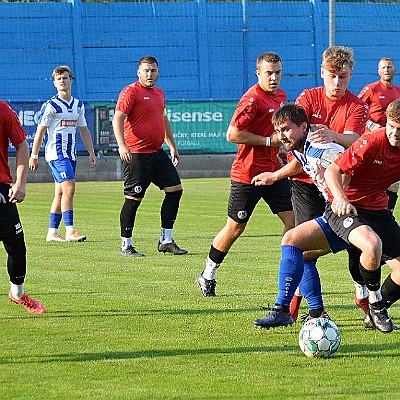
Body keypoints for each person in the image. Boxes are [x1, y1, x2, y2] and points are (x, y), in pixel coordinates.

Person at [253, 99, 400, 334]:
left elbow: (333, 165)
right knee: (294, 242)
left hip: (366, 211)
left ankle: (375, 308)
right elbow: (318, 166)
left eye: (286, 129)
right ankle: (298, 310)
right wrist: (276, 176)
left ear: (303, 128)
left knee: (370, 256)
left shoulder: (322, 148)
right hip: (344, 212)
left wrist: (341, 196)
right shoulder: (307, 148)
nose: (281, 136)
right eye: (392, 126)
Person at [195, 52, 295, 297]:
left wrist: (280, 152)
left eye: (278, 73)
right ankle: (208, 273)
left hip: (273, 173)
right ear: (258, 73)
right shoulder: (251, 99)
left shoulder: (280, 96)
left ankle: (289, 274)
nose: (274, 78)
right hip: (247, 174)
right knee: (235, 227)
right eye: (268, 73)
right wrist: (267, 141)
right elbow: (232, 134)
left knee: (294, 223)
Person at [289, 46, 369, 319]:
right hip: (306, 182)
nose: (337, 83)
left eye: (343, 77)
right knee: (303, 247)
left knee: (356, 242)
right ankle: (313, 310)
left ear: (350, 75)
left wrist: (332, 134)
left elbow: (355, 141)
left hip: (343, 184)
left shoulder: (357, 106)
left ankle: (363, 294)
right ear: (322, 72)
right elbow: (296, 131)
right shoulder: (308, 98)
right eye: (332, 76)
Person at [112, 55, 187, 257]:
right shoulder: (131, 91)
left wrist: (172, 145)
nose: (150, 74)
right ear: (139, 72)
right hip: (136, 155)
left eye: (153, 70)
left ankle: (166, 240)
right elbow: (118, 118)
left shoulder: (159, 93)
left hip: (157, 153)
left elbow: (164, 120)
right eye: (146, 70)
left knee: (175, 190)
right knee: (133, 198)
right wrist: (122, 145)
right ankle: (126, 245)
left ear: (158, 72)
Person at [29, 65, 97, 242]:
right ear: (54, 83)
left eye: (65, 78)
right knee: (70, 188)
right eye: (58, 79)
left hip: (70, 155)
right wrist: (34, 155)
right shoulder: (51, 105)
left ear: (70, 81)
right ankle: (70, 230)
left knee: (60, 193)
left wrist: (91, 152)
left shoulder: (77, 105)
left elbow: (84, 130)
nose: (62, 81)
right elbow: (40, 131)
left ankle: (52, 232)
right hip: (56, 155)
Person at [0, 101, 46, 314]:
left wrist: (20, 183)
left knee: (17, 245)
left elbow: (21, 145)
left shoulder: (3, 110)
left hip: (2, 188)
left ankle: (17, 293)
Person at [358, 57, 400, 212]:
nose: (386, 70)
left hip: (392, 142)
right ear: (378, 71)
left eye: (389, 67)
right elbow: (358, 108)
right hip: (373, 142)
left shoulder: (398, 92)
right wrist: (370, 125)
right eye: (383, 68)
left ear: (394, 70)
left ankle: (386, 212)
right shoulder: (371, 89)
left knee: (393, 182)